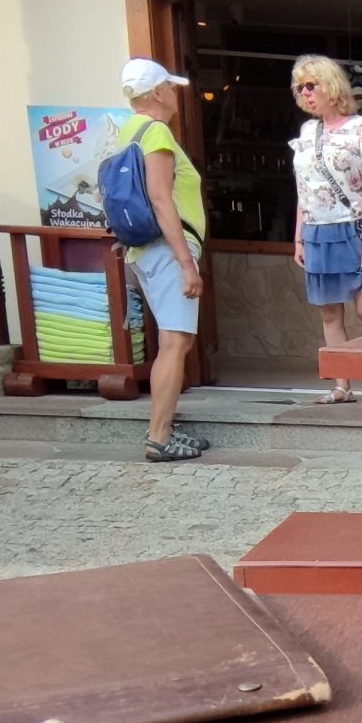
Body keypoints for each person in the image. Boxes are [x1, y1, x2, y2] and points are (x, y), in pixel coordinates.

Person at [116, 57, 210, 464]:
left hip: (143, 249)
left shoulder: (125, 132)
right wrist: (186, 263)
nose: (174, 94)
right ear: (156, 92)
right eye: (170, 87)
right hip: (168, 248)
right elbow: (159, 196)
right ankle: (159, 437)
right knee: (175, 341)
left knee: (172, 341)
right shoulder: (156, 132)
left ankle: (164, 426)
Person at [289, 53, 362, 403]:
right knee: (329, 312)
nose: (305, 93)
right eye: (300, 87)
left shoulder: (360, 127)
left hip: (352, 227)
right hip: (316, 230)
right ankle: (341, 385)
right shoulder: (307, 131)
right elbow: (303, 189)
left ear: (330, 85)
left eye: (311, 85)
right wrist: (299, 236)